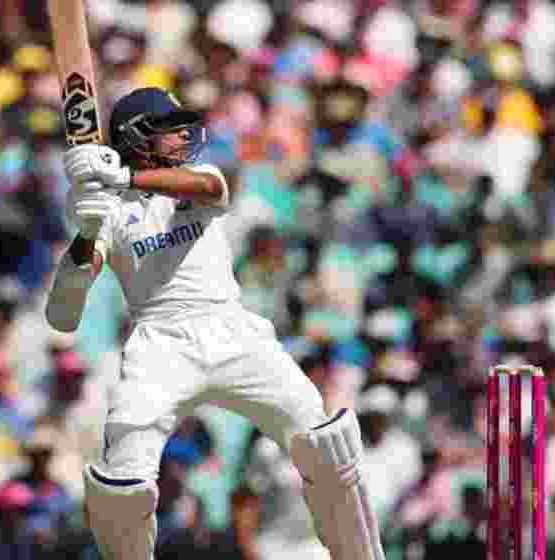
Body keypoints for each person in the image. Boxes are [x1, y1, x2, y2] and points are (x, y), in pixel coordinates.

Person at [45, 87, 386, 560]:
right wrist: (87, 230)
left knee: (325, 444)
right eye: (170, 127)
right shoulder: (111, 209)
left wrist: (123, 175)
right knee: (123, 484)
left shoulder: (198, 177)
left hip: (231, 329)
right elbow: (63, 313)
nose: (185, 133)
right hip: (159, 344)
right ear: (137, 136)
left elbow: (208, 188)